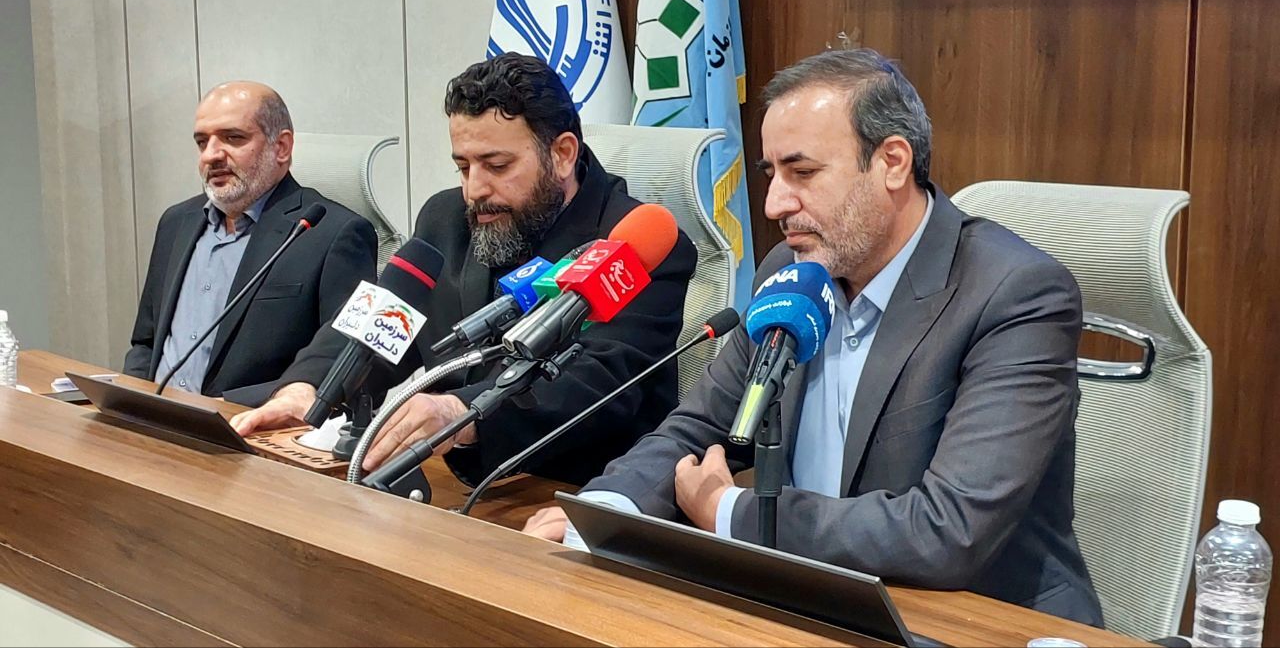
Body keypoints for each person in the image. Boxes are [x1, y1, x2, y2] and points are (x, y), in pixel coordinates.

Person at [522, 49, 1105, 626]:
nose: (775, 204)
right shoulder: (791, 270)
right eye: (770, 174)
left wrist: (730, 512)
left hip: (978, 624)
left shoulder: (1014, 292)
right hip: (811, 605)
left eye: (802, 173)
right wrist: (607, 510)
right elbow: (701, 426)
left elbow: (948, 529)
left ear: (892, 163)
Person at [231, 53, 698, 487]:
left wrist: (461, 413)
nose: (474, 190)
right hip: (451, 480)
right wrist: (308, 388)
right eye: (463, 166)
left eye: (496, 165)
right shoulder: (447, 218)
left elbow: (597, 385)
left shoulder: (636, 243)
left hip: (575, 490)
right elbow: (383, 318)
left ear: (562, 154)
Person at [124, 81, 377, 407]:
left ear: (281, 147)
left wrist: (227, 407)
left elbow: (350, 360)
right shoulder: (176, 223)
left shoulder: (332, 233)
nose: (211, 155)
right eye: (202, 142)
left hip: (245, 425)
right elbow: (146, 343)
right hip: (150, 421)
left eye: (233, 138)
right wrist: (130, 399)